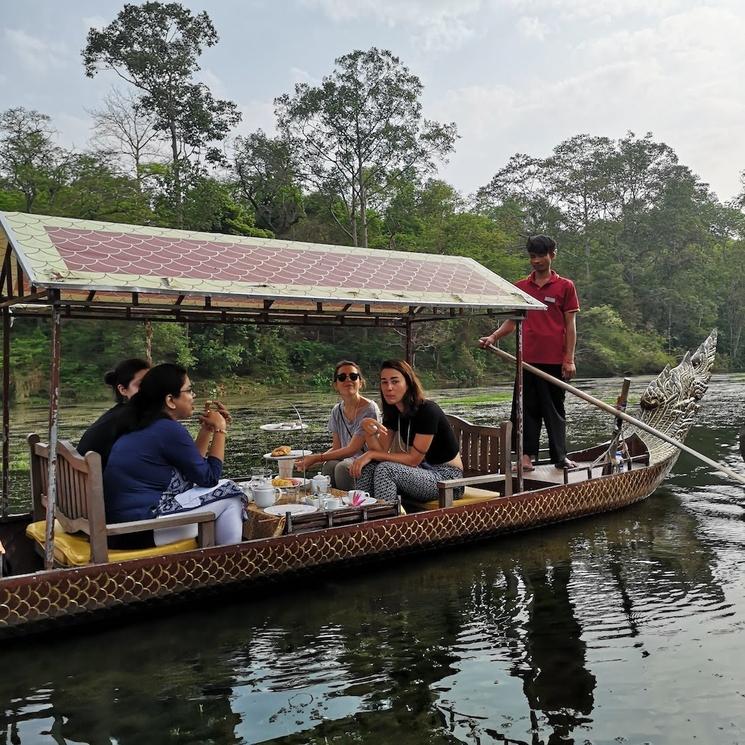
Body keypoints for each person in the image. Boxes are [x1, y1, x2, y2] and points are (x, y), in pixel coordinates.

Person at [104, 363, 244, 547]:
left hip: (122, 527)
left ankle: (217, 555)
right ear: (170, 400)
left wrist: (206, 431)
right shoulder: (167, 429)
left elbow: (193, 469)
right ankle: (226, 562)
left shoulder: (142, 423)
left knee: (218, 492)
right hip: (141, 529)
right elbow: (209, 478)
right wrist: (220, 430)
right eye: (189, 390)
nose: (193, 396)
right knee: (232, 493)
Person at [479, 234, 580, 471]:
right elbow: (513, 322)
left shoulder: (565, 286)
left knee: (554, 411)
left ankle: (560, 457)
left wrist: (569, 359)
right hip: (526, 362)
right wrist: (493, 337)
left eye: (541, 256)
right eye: (532, 257)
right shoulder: (520, 287)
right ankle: (525, 458)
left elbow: (570, 325)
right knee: (524, 411)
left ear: (552, 255)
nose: (536, 261)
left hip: (554, 362)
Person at [349, 359, 464, 504]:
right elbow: (380, 451)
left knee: (386, 470)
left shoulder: (428, 410)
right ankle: (362, 513)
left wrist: (369, 453)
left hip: (448, 480)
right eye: (384, 382)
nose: (389, 387)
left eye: (395, 381)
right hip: (420, 471)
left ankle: (387, 520)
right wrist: (368, 432)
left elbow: (413, 459)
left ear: (408, 383)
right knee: (369, 466)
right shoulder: (394, 412)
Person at [294, 361, 381, 490]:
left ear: (360, 382)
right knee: (329, 465)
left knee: (342, 467)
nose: (348, 380)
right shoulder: (337, 410)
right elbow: (337, 447)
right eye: (342, 377)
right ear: (336, 385)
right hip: (347, 459)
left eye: (353, 376)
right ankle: (328, 502)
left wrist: (316, 458)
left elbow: (352, 449)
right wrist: (313, 461)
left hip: (368, 461)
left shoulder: (370, 408)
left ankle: (351, 505)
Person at [77, 358, 150, 469]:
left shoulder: (117, 413)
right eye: (141, 384)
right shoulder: (131, 416)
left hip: (83, 480)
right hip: (101, 483)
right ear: (123, 390)